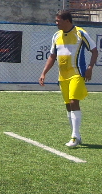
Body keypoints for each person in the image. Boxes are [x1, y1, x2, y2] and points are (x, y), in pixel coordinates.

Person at [39, 10, 98, 148]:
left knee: (73, 101)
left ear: (67, 21)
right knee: (67, 105)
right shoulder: (56, 35)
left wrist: (90, 67)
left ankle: (75, 136)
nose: (56, 23)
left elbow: (94, 50)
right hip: (63, 76)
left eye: (58, 20)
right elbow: (52, 56)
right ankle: (76, 134)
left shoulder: (80, 33)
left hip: (77, 73)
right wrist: (44, 73)